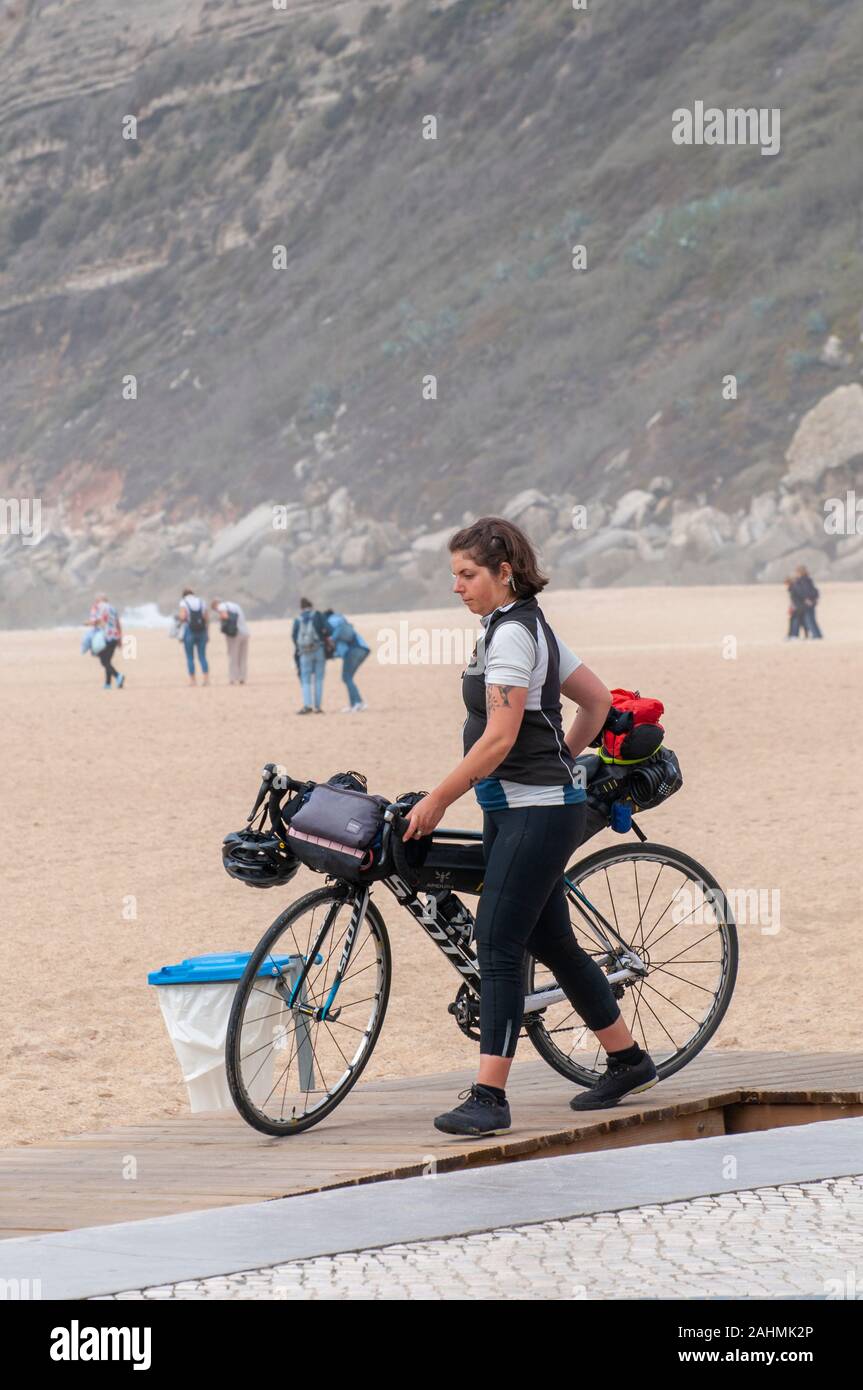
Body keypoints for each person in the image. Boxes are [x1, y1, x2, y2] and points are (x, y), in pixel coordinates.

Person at [401, 517, 658, 1137]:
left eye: (467, 575)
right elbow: (595, 702)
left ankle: (489, 1097)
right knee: (552, 942)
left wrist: (438, 798)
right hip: (518, 806)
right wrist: (569, 761)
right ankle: (628, 1059)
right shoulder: (521, 625)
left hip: (534, 810)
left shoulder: (515, 637)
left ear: (503, 573)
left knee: (497, 943)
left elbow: (500, 737)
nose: (457, 587)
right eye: (454, 576)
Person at [324, 608, 371, 712]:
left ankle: (357, 703)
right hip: (363, 649)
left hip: (354, 650)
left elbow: (339, 630)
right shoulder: (341, 619)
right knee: (347, 678)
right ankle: (357, 703)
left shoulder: (332, 620)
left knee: (346, 677)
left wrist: (332, 639)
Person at [291, 597, 330, 714]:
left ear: (301, 608)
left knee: (306, 680)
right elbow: (328, 629)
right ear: (311, 606)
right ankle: (318, 707)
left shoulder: (298, 619)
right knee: (319, 679)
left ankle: (307, 705)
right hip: (319, 650)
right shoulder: (317, 615)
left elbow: (294, 637)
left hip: (304, 652)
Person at [88, 593, 125, 689]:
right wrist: (120, 639)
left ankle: (118, 676)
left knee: (104, 661)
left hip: (105, 637)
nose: (95, 601)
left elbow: (97, 621)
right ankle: (107, 684)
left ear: (100, 600)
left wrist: (87, 623)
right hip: (115, 636)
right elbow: (118, 624)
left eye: (96, 600)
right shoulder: (112, 608)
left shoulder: (98, 607)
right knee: (108, 661)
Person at [210, 598, 250, 684]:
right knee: (243, 656)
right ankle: (242, 677)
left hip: (234, 633)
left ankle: (233, 678)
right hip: (245, 632)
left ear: (215, 606)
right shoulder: (235, 605)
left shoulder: (221, 607)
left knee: (233, 656)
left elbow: (225, 616)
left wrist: (221, 619)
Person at [178, 588, 209, 686]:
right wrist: (207, 633)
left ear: (184, 595)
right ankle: (206, 679)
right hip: (202, 630)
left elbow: (183, 617)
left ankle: (193, 680)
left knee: (190, 657)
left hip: (189, 630)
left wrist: (180, 619)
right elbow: (206, 618)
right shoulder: (201, 601)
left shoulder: (183, 603)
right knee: (202, 656)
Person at [794, 565, 823, 639]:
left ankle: (816, 635)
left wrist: (807, 599)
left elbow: (804, 592)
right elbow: (814, 591)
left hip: (806, 603)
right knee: (810, 620)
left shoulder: (802, 581)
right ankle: (817, 634)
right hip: (809, 602)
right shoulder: (807, 580)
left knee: (809, 620)